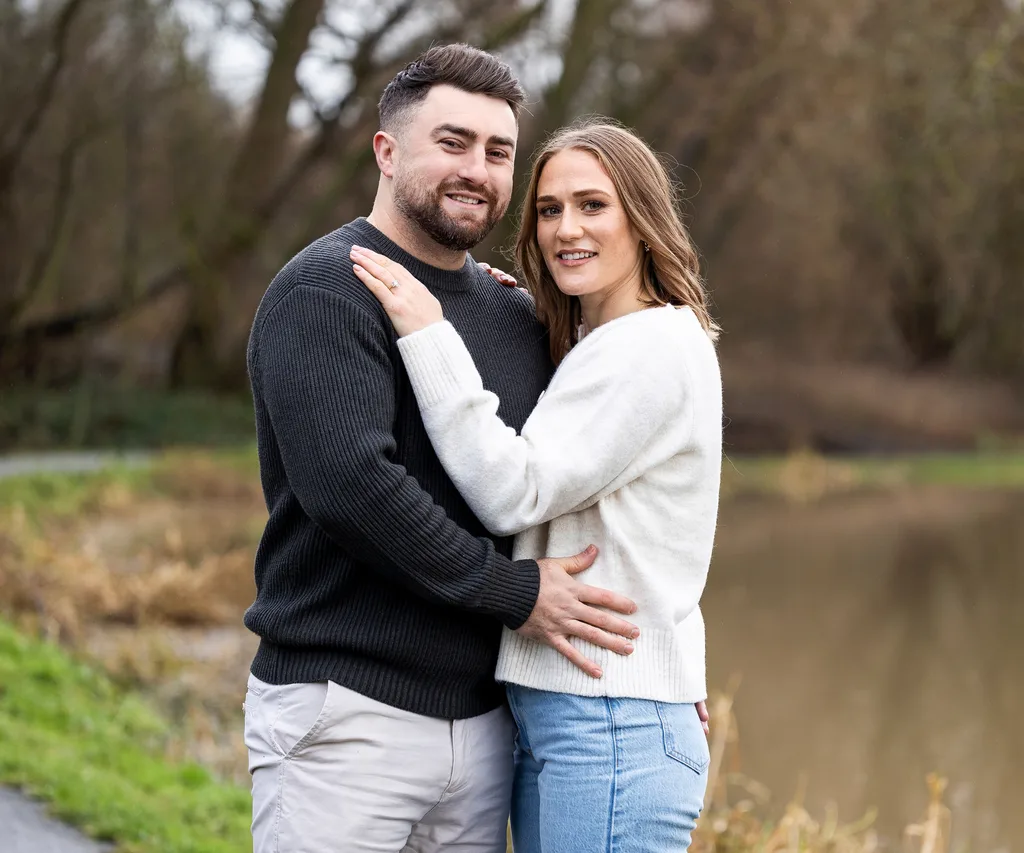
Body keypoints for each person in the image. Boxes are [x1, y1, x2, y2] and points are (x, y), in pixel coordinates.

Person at [241, 45, 655, 853]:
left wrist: (663, 675)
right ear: (387, 152)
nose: (479, 169)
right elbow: (355, 490)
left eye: (499, 152)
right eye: (453, 142)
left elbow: (575, 488)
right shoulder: (326, 290)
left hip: (486, 723)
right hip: (346, 713)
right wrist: (513, 592)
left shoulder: (514, 316)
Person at [352, 118, 723, 853]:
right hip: (576, 711)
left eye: (593, 205)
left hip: (611, 721)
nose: (565, 228)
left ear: (643, 219)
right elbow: (646, 528)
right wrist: (508, 310)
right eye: (549, 209)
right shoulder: (605, 343)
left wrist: (432, 333)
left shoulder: (650, 346)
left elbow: (514, 489)